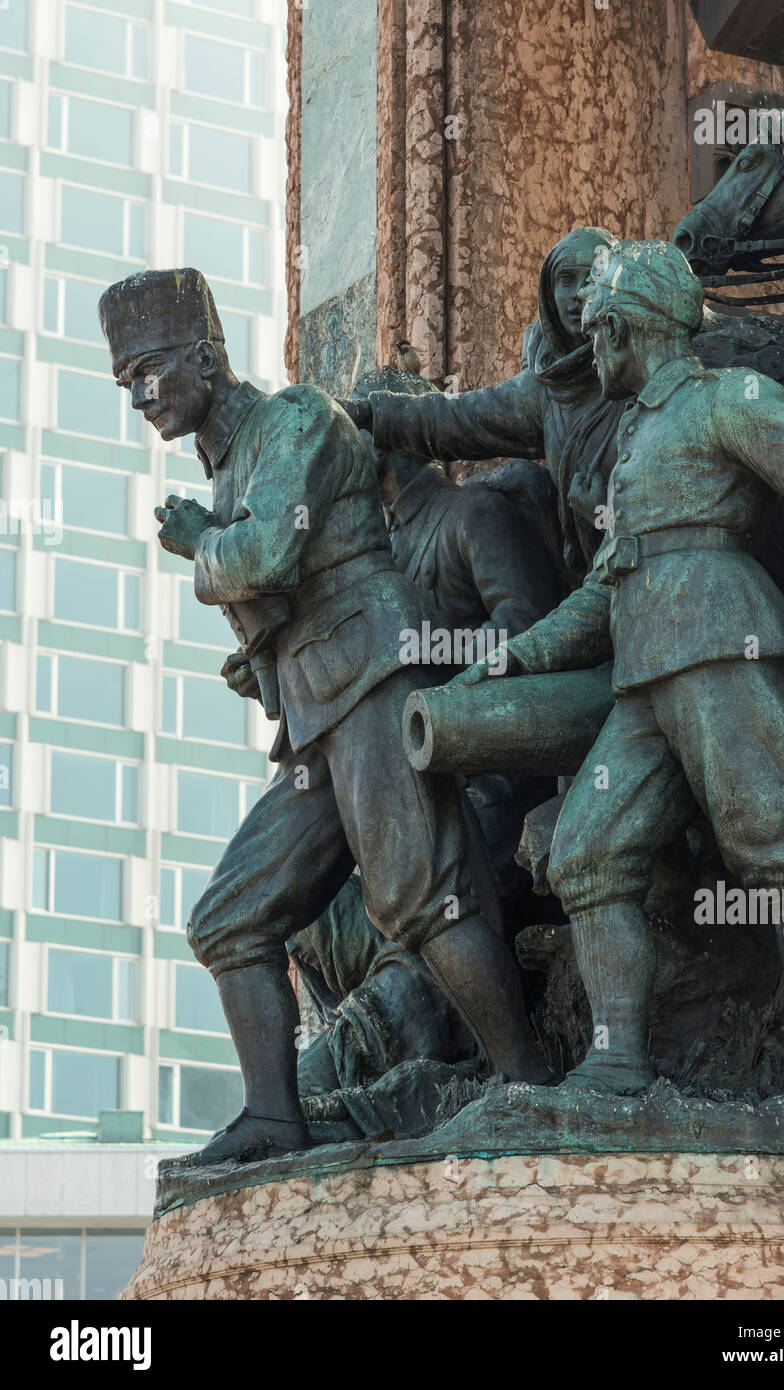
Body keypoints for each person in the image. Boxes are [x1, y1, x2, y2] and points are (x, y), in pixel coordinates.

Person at [98, 268, 551, 1166]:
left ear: (208, 355)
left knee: (420, 896)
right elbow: (271, 601)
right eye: (125, 382)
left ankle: (529, 1086)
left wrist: (200, 546)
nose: (141, 395)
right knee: (229, 919)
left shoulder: (296, 418)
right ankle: (273, 1116)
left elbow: (267, 554)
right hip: (317, 712)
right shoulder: (225, 467)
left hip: (376, 675)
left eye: (150, 369)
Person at [455, 239, 784, 1111]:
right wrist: (515, 657)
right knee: (586, 854)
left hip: (721, 648)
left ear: (627, 331)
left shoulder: (722, 400)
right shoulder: (636, 433)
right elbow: (604, 586)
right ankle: (617, 1066)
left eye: (598, 336)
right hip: (645, 674)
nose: (591, 354)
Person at [342, 227, 624, 580]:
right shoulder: (546, 386)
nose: (578, 295)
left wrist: (604, 512)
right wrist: (372, 413)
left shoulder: (639, 370)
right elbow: (457, 418)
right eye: (566, 279)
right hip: (594, 578)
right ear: (549, 294)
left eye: (593, 277)